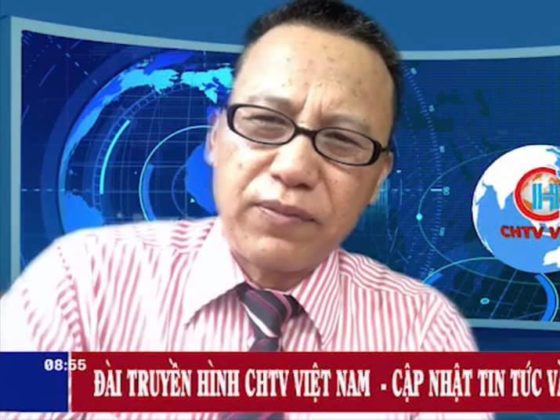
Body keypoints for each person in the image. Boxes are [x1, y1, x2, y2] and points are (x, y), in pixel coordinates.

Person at [2, 0, 479, 389]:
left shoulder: (423, 332)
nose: (293, 169)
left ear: (378, 178)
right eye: (265, 122)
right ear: (214, 139)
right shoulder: (79, 287)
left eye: (342, 140)